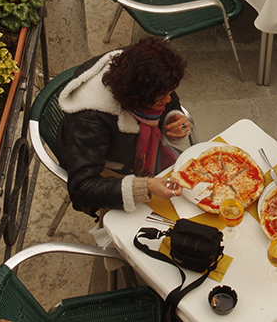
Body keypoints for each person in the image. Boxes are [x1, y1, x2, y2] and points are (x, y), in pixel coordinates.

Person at [54, 37, 192, 217]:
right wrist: (145, 186)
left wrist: (174, 119)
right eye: (160, 97)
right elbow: (82, 189)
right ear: (137, 97)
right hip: (109, 172)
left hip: (141, 157)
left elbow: (171, 104)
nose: (168, 99)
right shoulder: (90, 119)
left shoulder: (145, 73)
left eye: (169, 92)